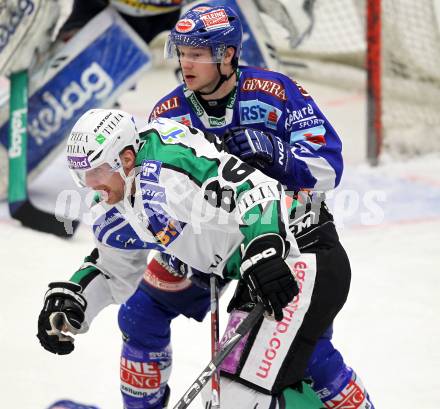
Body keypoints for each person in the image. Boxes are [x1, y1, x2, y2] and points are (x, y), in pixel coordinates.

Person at [133, 3, 372, 409]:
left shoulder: (278, 92)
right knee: (141, 315)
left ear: (227, 55)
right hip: (211, 241)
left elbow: (330, 168)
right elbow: (155, 189)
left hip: (289, 235)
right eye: (182, 52)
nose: (185, 63)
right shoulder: (169, 113)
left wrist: (281, 155)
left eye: (197, 53)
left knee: (304, 351)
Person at [36, 108, 325, 409]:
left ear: (125, 159)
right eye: (82, 175)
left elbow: (258, 189)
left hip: (295, 243)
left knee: (246, 391)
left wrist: (264, 248)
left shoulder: (169, 168)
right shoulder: (116, 202)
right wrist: (76, 300)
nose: (89, 184)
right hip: (238, 261)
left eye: (96, 171)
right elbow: (113, 270)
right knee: (142, 319)